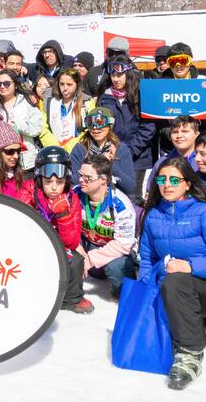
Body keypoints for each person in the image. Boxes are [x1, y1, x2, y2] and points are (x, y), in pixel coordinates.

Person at [139, 156, 206, 390]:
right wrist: (143, 296)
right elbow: (147, 261)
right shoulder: (153, 215)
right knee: (170, 284)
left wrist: (189, 265)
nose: (167, 184)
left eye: (174, 179)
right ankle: (195, 324)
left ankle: (190, 353)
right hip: (170, 288)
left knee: (176, 281)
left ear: (188, 184)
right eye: (161, 178)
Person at [32, 146, 94, 314]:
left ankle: (72, 299)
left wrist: (63, 216)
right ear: (39, 180)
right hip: (34, 245)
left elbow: (72, 241)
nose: (53, 187)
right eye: (48, 182)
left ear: (66, 181)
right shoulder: (31, 196)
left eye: (59, 182)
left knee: (77, 260)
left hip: (60, 246)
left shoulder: (72, 200)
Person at [75, 155, 137, 298]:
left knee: (116, 267)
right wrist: (80, 251)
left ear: (103, 180)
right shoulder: (76, 194)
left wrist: (89, 259)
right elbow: (68, 228)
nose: (80, 180)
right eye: (80, 175)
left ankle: (122, 297)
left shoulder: (120, 204)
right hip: (89, 244)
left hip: (115, 250)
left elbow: (124, 244)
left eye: (87, 178)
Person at [97, 55, 155, 196]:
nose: (115, 79)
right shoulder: (105, 97)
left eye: (119, 75)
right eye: (113, 75)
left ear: (128, 73)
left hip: (138, 158)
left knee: (133, 197)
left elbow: (148, 127)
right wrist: (110, 148)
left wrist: (128, 150)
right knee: (112, 196)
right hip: (112, 155)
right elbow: (102, 126)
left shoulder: (141, 95)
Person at [0, 69, 43, 171]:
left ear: (15, 85)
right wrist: (1, 130)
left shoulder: (27, 102)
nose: (2, 86)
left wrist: (17, 125)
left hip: (24, 160)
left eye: (6, 83)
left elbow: (37, 128)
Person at [69, 107, 136, 197]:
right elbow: (72, 182)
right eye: (90, 123)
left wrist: (111, 165)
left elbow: (130, 187)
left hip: (114, 200)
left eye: (100, 123)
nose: (95, 128)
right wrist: (99, 164)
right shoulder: (80, 149)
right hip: (85, 201)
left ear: (110, 125)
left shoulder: (121, 149)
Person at [39, 68, 94, 151]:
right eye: (62, 84)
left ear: (77, 85)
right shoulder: (49, 102)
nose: (65, 88)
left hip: (78, 150)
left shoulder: (87, 102)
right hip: (54, 149)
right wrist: (54, 145)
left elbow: (90, 127)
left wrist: (70, 145)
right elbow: (42, 127)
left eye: (69, 84)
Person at [147, 115, 201, 192]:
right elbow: (151, 191)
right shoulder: (162, 162)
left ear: (196, 134)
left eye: (185, 131)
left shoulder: (204, 161)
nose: (179, 136)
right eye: (175, 132)